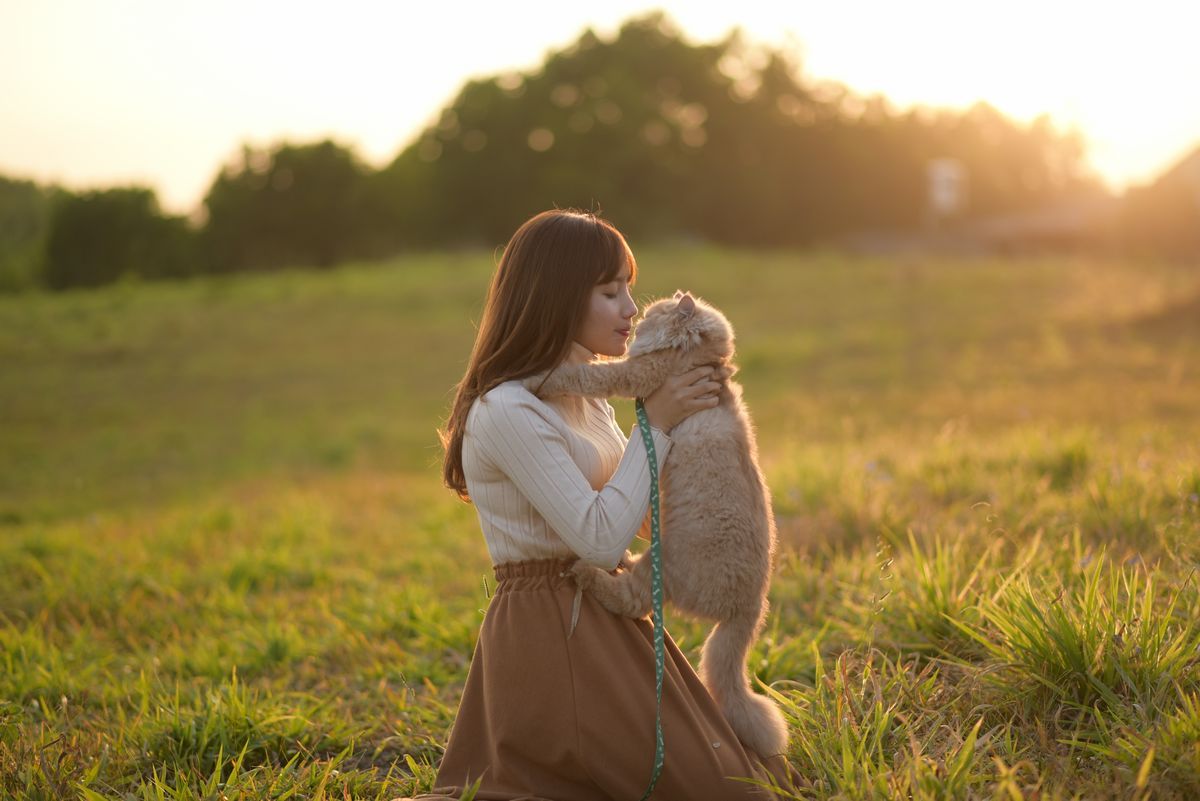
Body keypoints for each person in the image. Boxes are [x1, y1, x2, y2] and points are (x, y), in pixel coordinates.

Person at [408, 209, 793, 800]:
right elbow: (597, 540)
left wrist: (705, 458)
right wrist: (658, 425)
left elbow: (635, 521)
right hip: (552, 631)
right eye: (611, 292)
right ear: (557, 297)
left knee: (738, 777)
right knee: (709, 789)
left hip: (609, 615)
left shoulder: (591, 401)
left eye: (629, 290)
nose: (632, 310)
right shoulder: (508, 409)